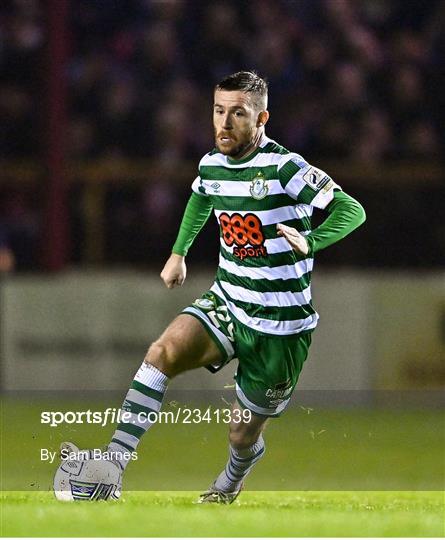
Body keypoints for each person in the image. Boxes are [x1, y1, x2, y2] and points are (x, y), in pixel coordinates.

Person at [66, 71, 366, 503]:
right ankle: (111, 465)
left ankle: (231, 479)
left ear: (261, 118)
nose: (224, 124)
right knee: (162, 352)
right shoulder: (210, 163)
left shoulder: (286, 167)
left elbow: (350, 209)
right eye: (218, 111)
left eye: (237, 114)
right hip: (228, 299)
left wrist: (312, 240)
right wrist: (178, 253)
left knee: (241, 434)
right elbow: (202, 195)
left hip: (279, 324)